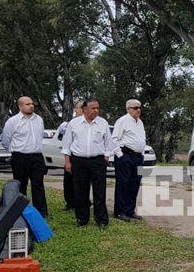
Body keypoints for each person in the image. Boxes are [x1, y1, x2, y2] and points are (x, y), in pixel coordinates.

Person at [62, 98, 113, 228]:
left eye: (97, 108)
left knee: (99, 191)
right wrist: (67, 162)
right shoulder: (74, 123)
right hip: (79, 161)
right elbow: (67, 144)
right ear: (84, 109)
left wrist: (106, 157)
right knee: (80, 191)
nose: (96, 110)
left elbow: (108, 143)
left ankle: (101, 220)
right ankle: (82, 219)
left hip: (97, 161)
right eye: (93, 108)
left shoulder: (103, 123)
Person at [0, 96, 48, 216]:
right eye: (27, 104)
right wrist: (15, 151)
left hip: (36, 156)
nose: (31, 106)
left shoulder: (39, 119)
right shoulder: (13, 121)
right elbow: (6, 139)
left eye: (32, 103)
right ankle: (21, 210)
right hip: (20, 157)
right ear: (20, 106)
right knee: (21, 184)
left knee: (38, 184)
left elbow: (40, 136)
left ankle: (41, 212)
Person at [111, 99, 146, 222]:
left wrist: (141, 153)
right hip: (125, 156)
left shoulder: (140, 122)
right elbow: (114, 139)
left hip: (137, 157)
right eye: (135, 108)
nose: (138, 110)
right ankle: (120, 211)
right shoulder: (122, 121)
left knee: (134, 184)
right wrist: (120, 155)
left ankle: (130, 210)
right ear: (128, 109)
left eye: (139, 107)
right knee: (123, 184)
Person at [57, 101, 84, 211]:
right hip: (71, 155)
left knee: (82, 182)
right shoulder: (68, 124)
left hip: (83, 156)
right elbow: (65, 141)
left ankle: (81, 202)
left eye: (82, 108)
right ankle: (70, 202)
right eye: (79, 108)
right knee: (69, 181)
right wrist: (67, 160)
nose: (80, 110)